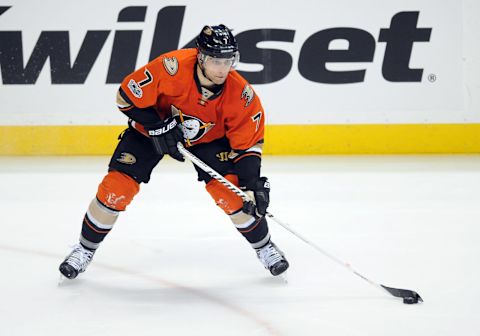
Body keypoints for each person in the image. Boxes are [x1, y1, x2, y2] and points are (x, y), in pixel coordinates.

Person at [59, 24, 289, 279]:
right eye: (215, 60)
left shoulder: (242, 95)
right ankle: (84, 249)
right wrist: (157, 126)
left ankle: (265, 247)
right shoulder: (171, 66)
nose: (222, 69)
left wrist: (251, 184)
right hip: (149, 132)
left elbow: (247, 145)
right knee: (115, 190)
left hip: (208, 141)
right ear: (200, 56)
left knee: (235, 197)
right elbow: (125, 98)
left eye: (228, 60)